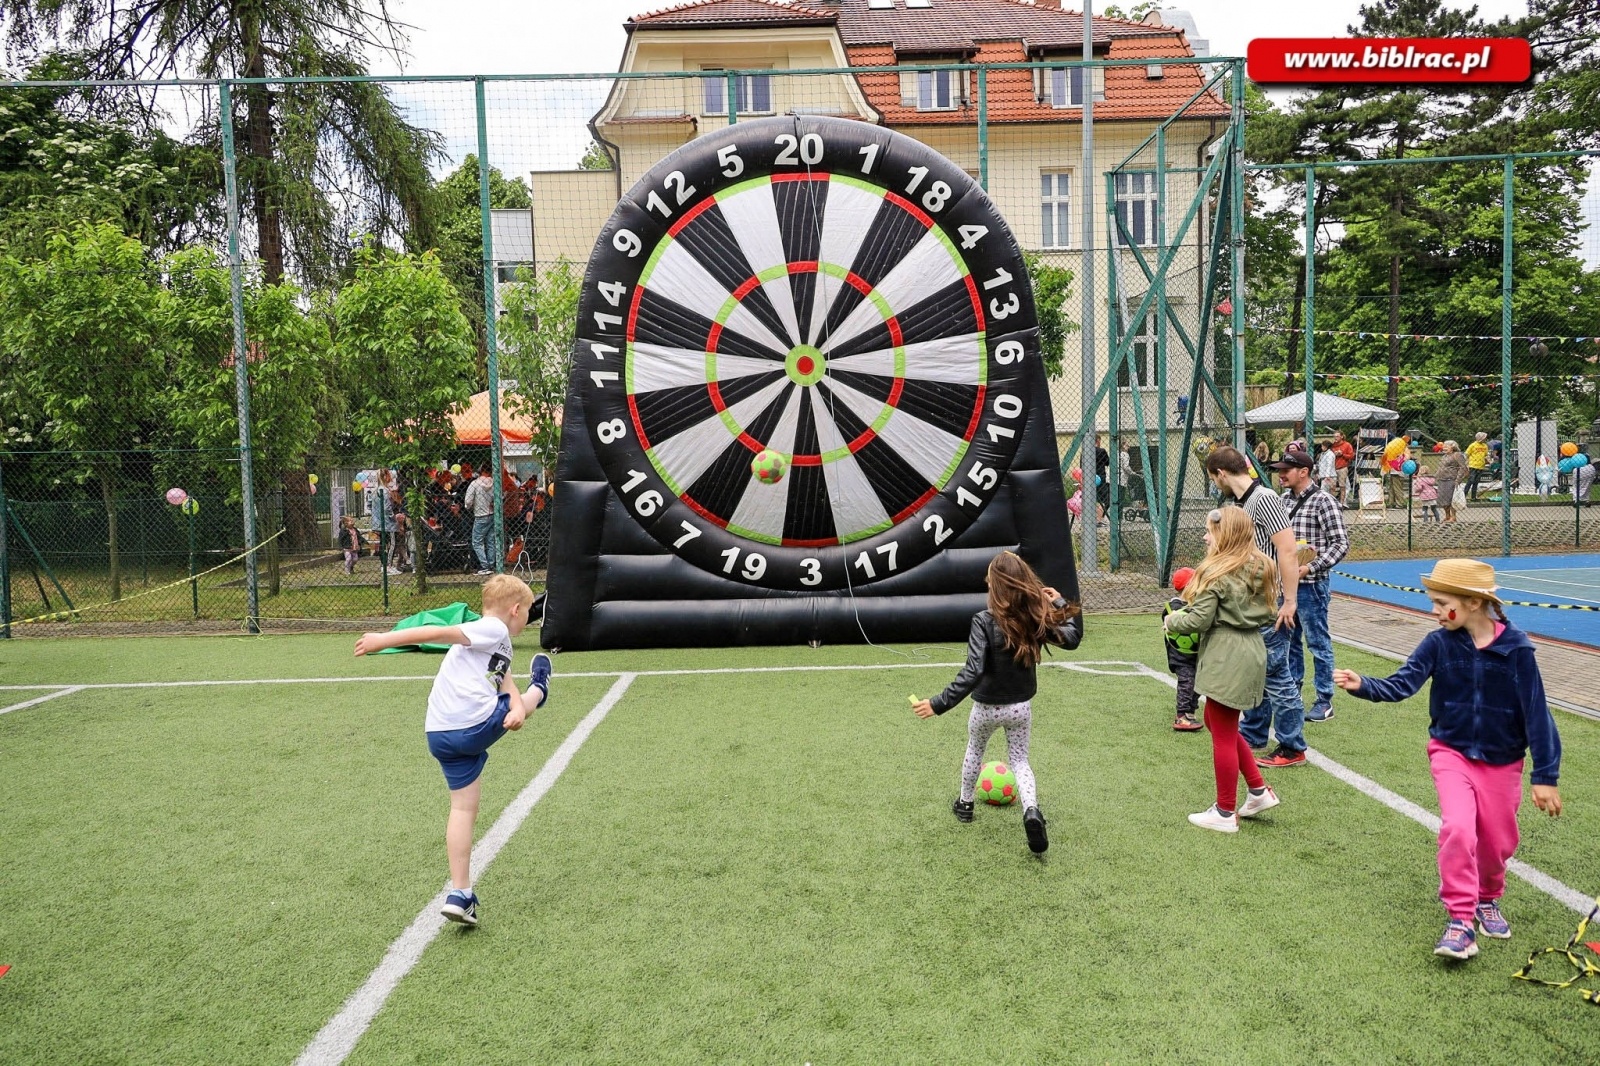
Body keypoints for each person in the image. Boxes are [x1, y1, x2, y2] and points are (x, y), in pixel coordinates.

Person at [1333, 559, 1561, 960]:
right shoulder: (1438, 643)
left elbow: (1537, 713)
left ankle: (1487, 897)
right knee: (1458, 828)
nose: (1435, 611)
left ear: (1473, 603)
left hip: (1503, 762)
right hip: (1451, 752)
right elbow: (1404, 682)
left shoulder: (1518, 651)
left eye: (1442, 603)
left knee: (1497, 841)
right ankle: (1460, 920)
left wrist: (1545, 773)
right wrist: (1363, 684)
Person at [354, 574, 554, 927]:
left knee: (462, 809)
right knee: (525, 700)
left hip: (439, 734)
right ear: (516, 610)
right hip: (471, 725)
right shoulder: (493, 630)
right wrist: (382, 640)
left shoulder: (494, 646)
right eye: (528, 613)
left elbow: (502, 680)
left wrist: (516, 707)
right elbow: (435, 632)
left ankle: (460, 894)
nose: (529, 619)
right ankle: (541, 687)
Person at [911, 551, 1082, 855]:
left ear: (995, 585)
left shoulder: (983, 620)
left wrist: (937, 704)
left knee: (975, 749)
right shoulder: (1034, 616)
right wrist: (1058, 604)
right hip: (1020, 708)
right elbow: (1072, 638)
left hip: (986, 708)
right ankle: (1031, 810)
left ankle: (965, 804)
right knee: (1020, 760)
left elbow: (973, 671)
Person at [1164, 507, 1281, 833]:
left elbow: (1196, 620)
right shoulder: (1260, 566)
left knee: (1224, 731)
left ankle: (1225, 811)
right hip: (1251, 649)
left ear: (1225, 536)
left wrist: (1170, 620)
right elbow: (1269, 613)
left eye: (1210, 531)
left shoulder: (1217, 573)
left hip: (1227, 654)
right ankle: (1258, 790)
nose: (1205, 536)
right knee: (1217, 720)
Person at [1202, 445, 1304, 768]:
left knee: (1276, 674)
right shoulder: (1239, 504)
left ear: (1221, 473)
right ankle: (1255, 731)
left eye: (1213, 478)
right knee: (1255, 669)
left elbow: (1287, 551)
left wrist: (1289, 601)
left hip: (1270, 604)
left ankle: (1292, 746)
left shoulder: (1265, 499)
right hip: (1251, 604)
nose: (1215, 484)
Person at [1270, 448, 1349, 724]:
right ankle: (1293, 693)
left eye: (1286, 470)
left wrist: (1309, 567)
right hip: (1284, 586)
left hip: (1312, 586)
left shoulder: (1324, 501)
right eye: (1279, 470)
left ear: (1303, 472)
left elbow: (1341, 544)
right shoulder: (1280, 500)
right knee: (1288, 642)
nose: (1281, 474)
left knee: (1317, 643)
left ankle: (1324, 699)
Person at [1162, 566, 1202, 732]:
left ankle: (1191, 711)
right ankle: (1182, 716)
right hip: (1180, 655)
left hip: (1197, 653)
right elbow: (1168, 620)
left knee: (1198, 683)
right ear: (1188, 586)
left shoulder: (1198, 604)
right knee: (1187, 682)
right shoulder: (1174, 607)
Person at [463, 466, 497, 575]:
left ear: (481, 471)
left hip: (480, 515)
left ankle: (484, 566)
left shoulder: (475, 484)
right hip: (492, 514)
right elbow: (501, 497)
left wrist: (470, 506)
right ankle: (491, 564)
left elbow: (468, 502)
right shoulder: (495, 483)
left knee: (477, 542)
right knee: (490, 540)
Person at [1436, 441, 1468, 522]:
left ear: (1453, 447)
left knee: (1451, 499)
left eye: (1447, 446)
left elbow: (1463, 467)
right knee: (1443, 499)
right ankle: (1447, 516)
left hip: (1451, 479)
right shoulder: (1444, 456)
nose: (1444, 447)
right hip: (1441, 479)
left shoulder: (1457, 455)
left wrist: (1458, 480)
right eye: (1444, 446)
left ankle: (1453, 517)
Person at [1382, 431, 1412, 508]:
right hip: (1393, 470)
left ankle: (1400, 503)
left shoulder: (1404, 449)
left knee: (1397, 487)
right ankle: (1391, 503)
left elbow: (1406, 458)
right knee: (1391, 487)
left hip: (1397, 471)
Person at [1332, 429, 1356, 507]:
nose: (1335, 438)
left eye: (1337, 436)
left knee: (1343, 486)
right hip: (1333, 468)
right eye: (1334, 436)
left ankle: (1342, 503)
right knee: (1332, 486)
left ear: (1342, 436)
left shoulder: (1347, 445)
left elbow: (1352, 456)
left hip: (1342, 467)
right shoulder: (1333, 445)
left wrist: (1342, 454)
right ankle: (1333, 503)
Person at [1465, 432, 1490, 501]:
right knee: (1470, 481)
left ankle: (1473, 497)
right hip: (1473, 466)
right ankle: (1464, 495)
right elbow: (1466, 454)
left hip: (1481, 466)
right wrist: (1465, 463)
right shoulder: (1472, 445)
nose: (1485, 439)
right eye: (1484, 438)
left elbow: (1486, 455)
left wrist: (1488, 460)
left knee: (1476, 482)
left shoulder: (1485, 446)